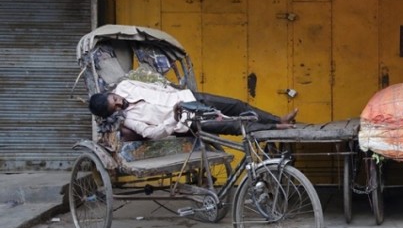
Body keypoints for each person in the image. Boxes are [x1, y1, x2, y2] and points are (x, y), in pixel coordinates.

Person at [88, 79, 298, 140]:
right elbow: (152, 133)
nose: (119, 102)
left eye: (115, 98)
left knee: (236, 105)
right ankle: (277, 127)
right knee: (235, 125)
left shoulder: (124, 86)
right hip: (186, 121)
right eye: (115, 107)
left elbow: (151, 85)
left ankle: (278, 118)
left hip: (187, 97)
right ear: (113, 113)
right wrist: (173, 119)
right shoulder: (128, 120)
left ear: (112, 93)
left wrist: (170, 90)